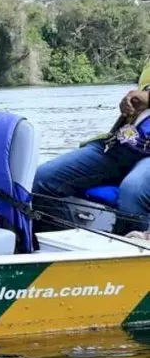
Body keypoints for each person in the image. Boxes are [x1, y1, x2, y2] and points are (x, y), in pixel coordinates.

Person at [32, 64, 150, 238]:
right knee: (43, 179)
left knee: (133, 190)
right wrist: (130, 104)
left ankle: (131, 253)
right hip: (120, 144)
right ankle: (69, 248)